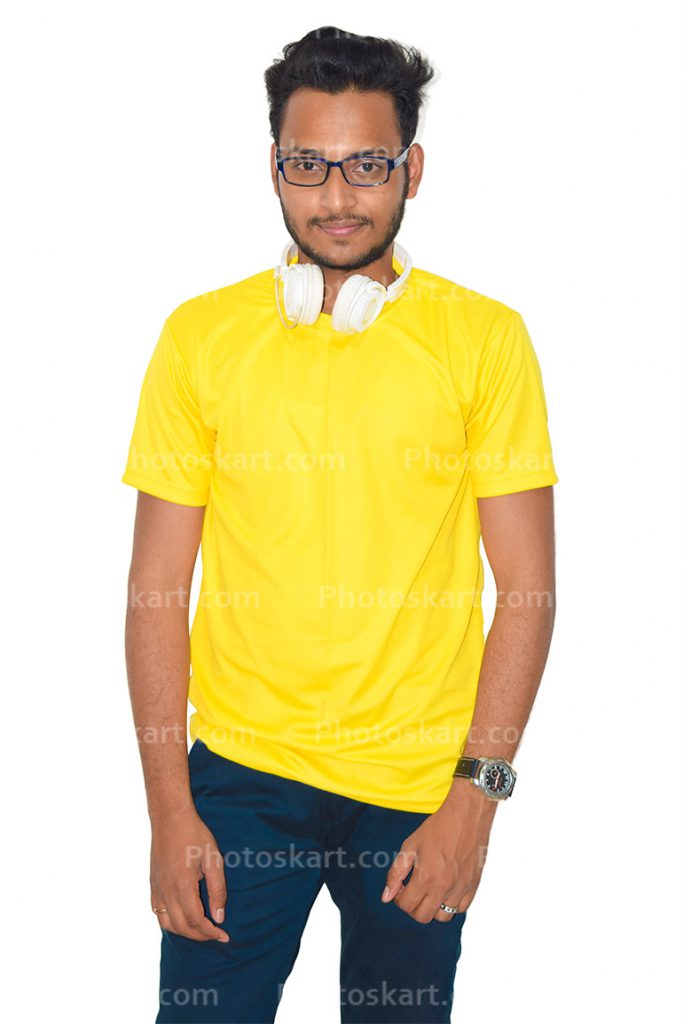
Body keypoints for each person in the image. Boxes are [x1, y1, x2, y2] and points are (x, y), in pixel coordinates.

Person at [122, 25, 559, 1024]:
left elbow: (525, 594)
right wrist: (168, 810)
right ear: (273, 165)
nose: (335, 196)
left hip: (416, 784)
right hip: (237, 779)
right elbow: (155, 590)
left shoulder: (484, 340)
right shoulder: (200, 337)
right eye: (307, 165)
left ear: (410, 169)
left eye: (365, 165)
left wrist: (471, 807)